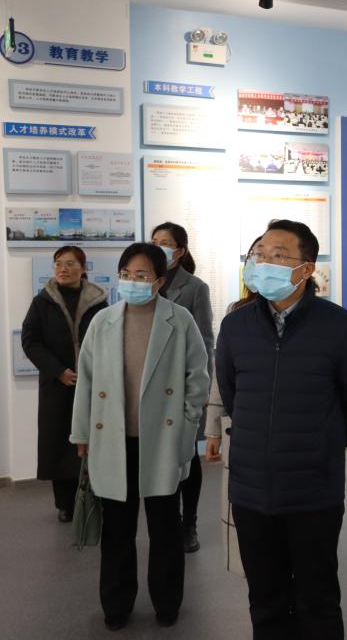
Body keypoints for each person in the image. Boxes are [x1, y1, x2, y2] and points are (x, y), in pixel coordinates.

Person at [216, 220, 347, 639]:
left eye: (278, 255)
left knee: (316, 598)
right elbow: (232, 396)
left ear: (306, 269)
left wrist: (321, 443)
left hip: (313, 490)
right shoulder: (235, 326)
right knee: (265, 600)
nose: (264, 262)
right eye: (260, 254)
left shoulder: (341, 327)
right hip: (251, 489)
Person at [69, 243, 209, 631]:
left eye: (142, 275)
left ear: (160, 281)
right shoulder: (103, 321)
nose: (132, 281)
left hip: (162, 440)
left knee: (165, 527)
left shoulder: (179, 320)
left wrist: (186, 426)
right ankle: (116, 604)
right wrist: (81, 432)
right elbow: (86, 382)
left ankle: (167, 601)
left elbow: (198, 378)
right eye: (126, 274)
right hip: (114, 441)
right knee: (117, 529)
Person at [21, 246, 108, 522]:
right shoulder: (42, 302)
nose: (63, 268)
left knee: (93, 439)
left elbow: (109, 340)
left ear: (83, 268)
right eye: (58, 263)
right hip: (57, 385)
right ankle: (65, 504)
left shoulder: (99, 302)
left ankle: (96, 497)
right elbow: (30, 341)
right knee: (59, 443)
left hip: (93, 383)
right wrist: (58, 371)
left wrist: (97, 372)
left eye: (70, 263)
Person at [151, 222, 214, 553]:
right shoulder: (144, 281)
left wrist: (203, 390)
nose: (158, 247)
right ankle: (167, 520)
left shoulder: (195, 288)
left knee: (187, 457)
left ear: (180, 251)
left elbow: (205, 342)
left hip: (181, 385)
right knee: (156, 456)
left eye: (165, 242)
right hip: (148, 388)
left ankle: (189, 522)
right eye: (154, 241)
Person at [204, 235, 261, 465]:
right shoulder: (236, 312)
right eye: (254, 255)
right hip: (241, 422)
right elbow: (222, 374)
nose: (257, 261)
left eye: (272, 255)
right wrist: (213, 430)